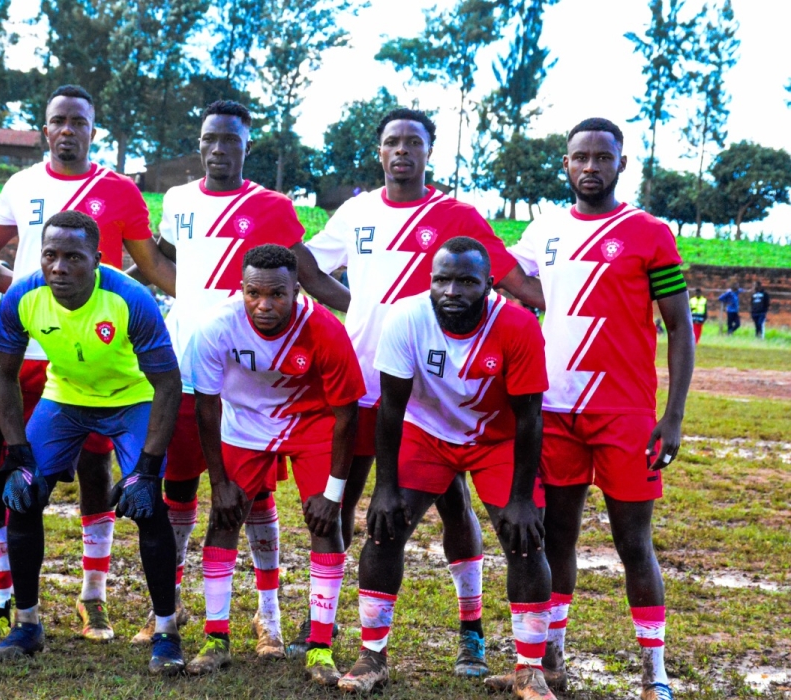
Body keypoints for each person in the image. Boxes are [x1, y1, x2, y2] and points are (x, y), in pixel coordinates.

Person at [294, 107, 546, 671]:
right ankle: (322, 633)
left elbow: (505, 280)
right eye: (392, 142)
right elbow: (307, 263)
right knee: (351, 506)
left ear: (430, 151)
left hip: (452, 389)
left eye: (414, 141)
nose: (402, 150)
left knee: (455, 510)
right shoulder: (356, 210)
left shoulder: (455, 214)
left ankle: (472, 631)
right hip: (369, 382)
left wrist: (568, 308)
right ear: (378, 151)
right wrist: (357, 307)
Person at [0, 84, 177, 643]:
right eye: (59, 120)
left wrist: (212, 299)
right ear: (45, 128)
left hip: (122, 384)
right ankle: (16, 619)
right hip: (46, 362)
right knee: (18, 484)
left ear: (92, 130)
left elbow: (150, 264)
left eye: (80, 121)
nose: (69, 129)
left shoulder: (119, 204)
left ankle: (120, 609)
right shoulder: (21, 194)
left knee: (123, 486)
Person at [495, 117, 694, 700]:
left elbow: (679, 327)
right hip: (553, 409)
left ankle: (654, 668)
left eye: (601, 158)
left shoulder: (648, 231)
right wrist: (542, 299)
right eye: (579, 157)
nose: (590, 167)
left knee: (634, 542)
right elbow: (507, 276)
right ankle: (552, 654)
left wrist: (673, 415)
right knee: (558, 536)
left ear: (621, 164)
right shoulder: (545, 227)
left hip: (625, 414)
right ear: (565, 164)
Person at [133, 100, 332, 649]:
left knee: (254, 499)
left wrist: (368, 314)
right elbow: (163, 260)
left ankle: (267, 612)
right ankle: (163, 610)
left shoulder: (271, 205)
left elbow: (308, 274)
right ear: (199, 144)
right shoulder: (177, 200)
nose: (218, 149)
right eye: (209, 139)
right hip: (180, 370)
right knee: (178, 490)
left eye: (230, 140)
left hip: (245, 379)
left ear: (248, 145)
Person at [336, 237, 553, 697]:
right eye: (442, 280)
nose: (452, 291)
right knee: (384, 529)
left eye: (466, 281)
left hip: (497, 438)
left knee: (526, 540)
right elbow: (391, 408)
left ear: (490, 285)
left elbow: (531, 416)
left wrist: (520, 499)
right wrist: (385, 487)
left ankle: (528, 669)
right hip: (427, 432)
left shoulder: (517, 325)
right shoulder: (406, 317)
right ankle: (372, 657)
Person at [0, 210, 184, 675]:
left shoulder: (130, 299)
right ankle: (28, 625)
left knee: (149, 505)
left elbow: (169, 384)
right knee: (24, 495)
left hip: (131, 399)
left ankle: (166, 631)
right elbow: (2, 373)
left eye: (73, 257)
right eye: (50, 256)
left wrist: (148, 468)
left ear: (96, 259)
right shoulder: (22, 295)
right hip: (65, 398)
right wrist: (17, 454)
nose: (59, 268)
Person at [183, 245, 364, 686]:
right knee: (223, 518)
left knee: (326, 524)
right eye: (253, 293)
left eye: (277, 295)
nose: (264, 305)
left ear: (297, 290)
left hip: (311, 423)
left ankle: (320, 646)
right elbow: (206, 408)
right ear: (240, 289)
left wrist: (334, 495)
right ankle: (216, 638)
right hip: (243, 423)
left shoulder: (323, 327)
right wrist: (220, 482)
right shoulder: (216, 326)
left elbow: (347, 415)